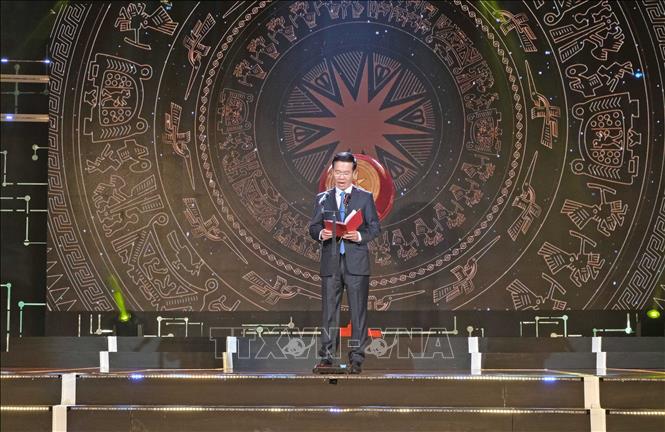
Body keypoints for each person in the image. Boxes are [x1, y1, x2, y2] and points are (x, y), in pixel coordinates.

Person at [308, 152, 381, 374]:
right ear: (332, 172)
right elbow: (313, 227)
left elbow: (374, 228)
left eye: (346, 173)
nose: (341, 177)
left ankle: (357, 359)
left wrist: (358, 235)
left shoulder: (364, 197)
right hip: (331, 262)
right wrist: (321, 233)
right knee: (329, 312)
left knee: (358, 312)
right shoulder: (322, 198)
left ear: (354, 173)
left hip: (356, 262)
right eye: (338, 172)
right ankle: (327, 357)